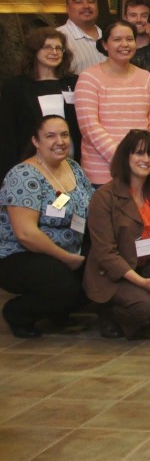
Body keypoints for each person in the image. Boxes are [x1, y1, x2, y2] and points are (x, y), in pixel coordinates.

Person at [83, 130, 150, 339]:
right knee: (145, 306)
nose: (146, 160)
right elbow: (106, 254)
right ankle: (109, 313)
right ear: (126, 157)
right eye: (139, 153)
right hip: (114, 276)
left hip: (147, 265)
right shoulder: (104, 197)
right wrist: (144, 284)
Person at [0, 116, 93, 337]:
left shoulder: (73, 167)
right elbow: (25, 234)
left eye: (64, 135)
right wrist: (65, 258)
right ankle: (17, 313)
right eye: (50, 136)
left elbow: (94, 203)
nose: (59, 141)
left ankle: (57, 311)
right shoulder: (23, 175)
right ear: (35, 141)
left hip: (70, 251)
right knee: (64, 287)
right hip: (21, 254)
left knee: (101, 276)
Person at [75, 20, 150, 185]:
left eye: (130, 39)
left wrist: (145, 157)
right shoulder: (89, 78)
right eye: (117, 39)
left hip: (141, 172)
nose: (125, 44)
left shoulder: (146, 78)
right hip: (102, 174)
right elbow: (90, 128)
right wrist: (124, 160)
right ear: (105, 44)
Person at [0, 27, 81, 179]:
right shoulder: (16, 86)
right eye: (47, 47)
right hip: (29, 165)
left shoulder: (74, 82)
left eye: (59, 48)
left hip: (69, 162)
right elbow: (7, 133)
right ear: (34, 51)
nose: (54, 52)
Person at [57, 0, 105, 74]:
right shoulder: (58, 37)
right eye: (78, 2)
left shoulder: (109, 36)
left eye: (91, 1)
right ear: (67, 8)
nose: (86, 6)